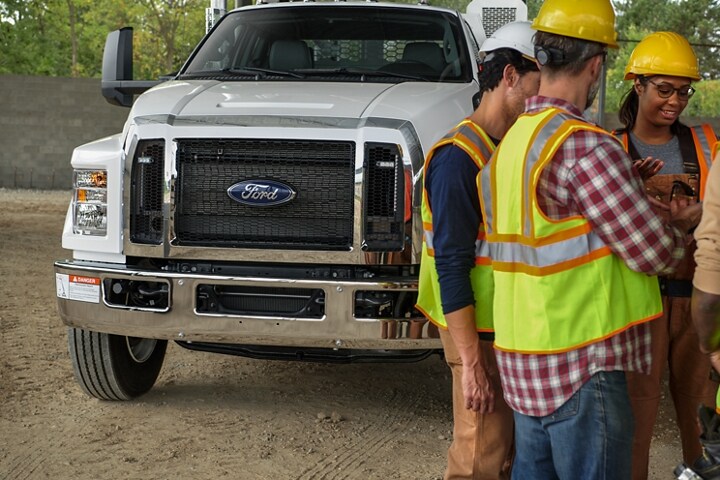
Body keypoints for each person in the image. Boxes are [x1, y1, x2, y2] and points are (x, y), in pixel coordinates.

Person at [477, 1, 699, 478]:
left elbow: (550, 231)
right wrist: (679, 227)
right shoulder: (583, 145)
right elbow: (654, 252)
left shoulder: (509, 147)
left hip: (523, 362)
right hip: (580, 369)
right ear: (597, 64)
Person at [415, 21, 540, 480]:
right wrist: (472, 365)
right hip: (474, 330)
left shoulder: (506, 147)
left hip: (499, 326)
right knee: (479, 456)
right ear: (509, 76)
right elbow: (451, 265)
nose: (544, 95)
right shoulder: (458, 157)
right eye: (538, 82)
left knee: (502, 454)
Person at [613, 31, 718, 480]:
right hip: (640, 304)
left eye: (684, 91)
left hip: (700, 300)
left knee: (704, 422)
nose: (676, 101)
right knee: (633, 425)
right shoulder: (610, 149)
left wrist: (701, 216)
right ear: (637, 85)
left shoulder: (708, 144)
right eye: (665, 89)